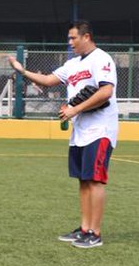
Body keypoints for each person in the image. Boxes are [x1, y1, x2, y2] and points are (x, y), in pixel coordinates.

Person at [7, 20, 118, 249]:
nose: (70, 42)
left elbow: (106, 91)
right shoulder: (72, 64)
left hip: (100, 129)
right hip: (80, 131)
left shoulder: (102, 59)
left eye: (73, 38)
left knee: (95, 180)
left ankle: (95, 233)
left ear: (86, 37)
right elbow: (48, 80)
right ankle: (84, 228)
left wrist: (75, 109)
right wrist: (22, 70)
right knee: (83, 180)